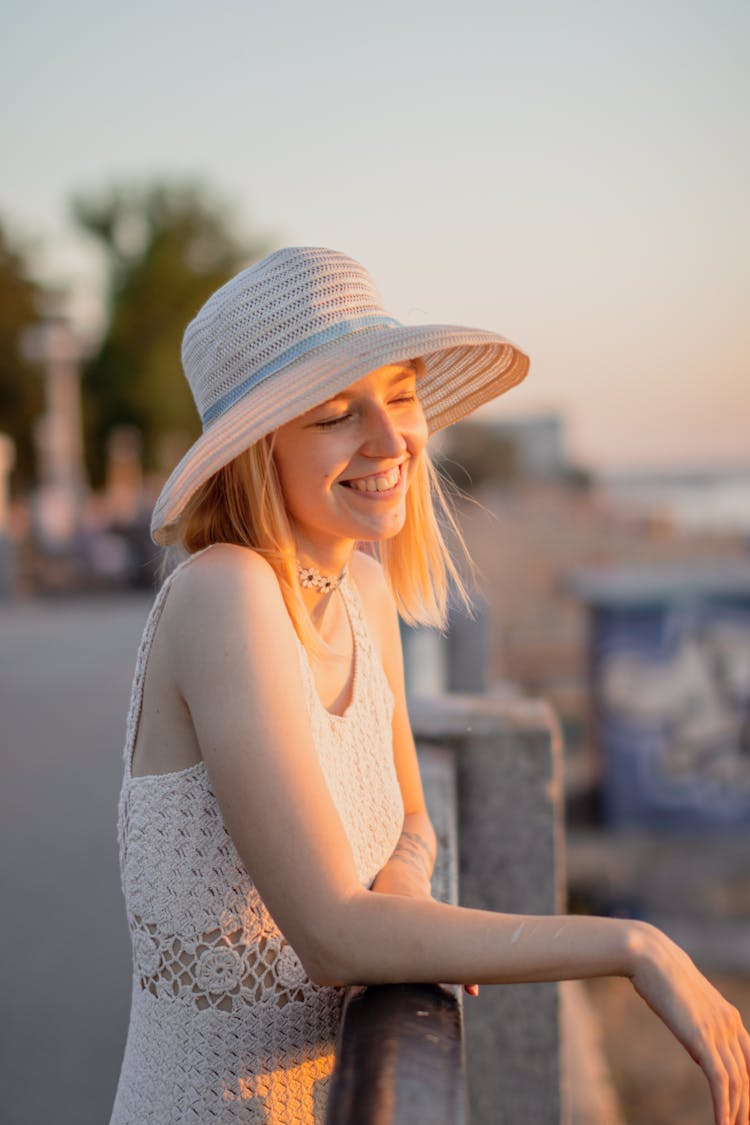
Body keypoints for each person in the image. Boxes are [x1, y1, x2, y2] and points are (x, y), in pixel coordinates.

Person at [110, 246, 750, 1125]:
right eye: (337, 413)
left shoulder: (363, 591)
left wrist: (407, 884)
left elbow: (414, 818)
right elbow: (335, 934)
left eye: (401, 395)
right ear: (259, 451)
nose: (389, 440)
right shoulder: (224, 591)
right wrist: (632, 944)